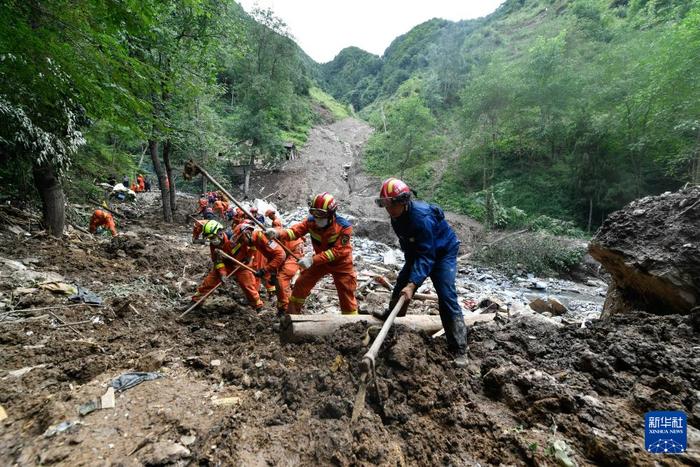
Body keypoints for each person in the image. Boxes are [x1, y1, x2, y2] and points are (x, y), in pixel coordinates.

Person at [373, 178, 468, 367]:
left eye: (389, 204)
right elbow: (410, 246)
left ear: (402, 202)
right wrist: (407, 280)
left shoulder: (422, 218)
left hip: (442, 253)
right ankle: (393, 314)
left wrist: (413, 284)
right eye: (384, 204)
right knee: (401, 283)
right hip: (419, 252)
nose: (387, 209)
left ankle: (459, 349)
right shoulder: (396, 215)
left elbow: (428, 256)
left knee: (446, 294)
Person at [266, 192, 357, 315]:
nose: (317, 217)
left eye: (321, 214)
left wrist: (312, 260)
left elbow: (338, 251)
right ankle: (291, 317)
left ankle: (351, 324)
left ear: (331, 214)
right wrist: (277, 233)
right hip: (320, 262)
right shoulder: (311, 222)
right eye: (314, 213)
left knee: (346, 292)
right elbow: (294, 232)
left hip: (341, 264)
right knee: (301, 283)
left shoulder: (344, 227)